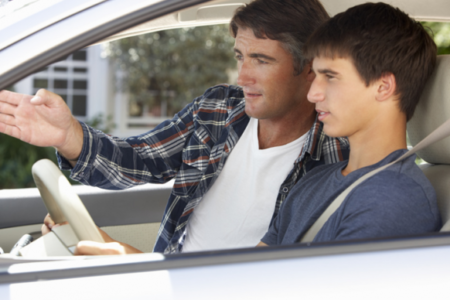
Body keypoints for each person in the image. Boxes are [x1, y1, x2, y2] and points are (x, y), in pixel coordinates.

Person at [0, 0, 349, 255]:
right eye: (240, 57)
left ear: (308, 68)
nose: (242, 77)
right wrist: (68, 135)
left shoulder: (335, 156)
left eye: (261, 60)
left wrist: (124, 256)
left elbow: (276, 277)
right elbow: (139, 160)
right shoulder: (218, 109)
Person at [259, 2, 441, 247]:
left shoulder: (390, 198)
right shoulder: (315, 180)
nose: (313, 94)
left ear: (383, 86)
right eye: (315, 75)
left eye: (330, 77)